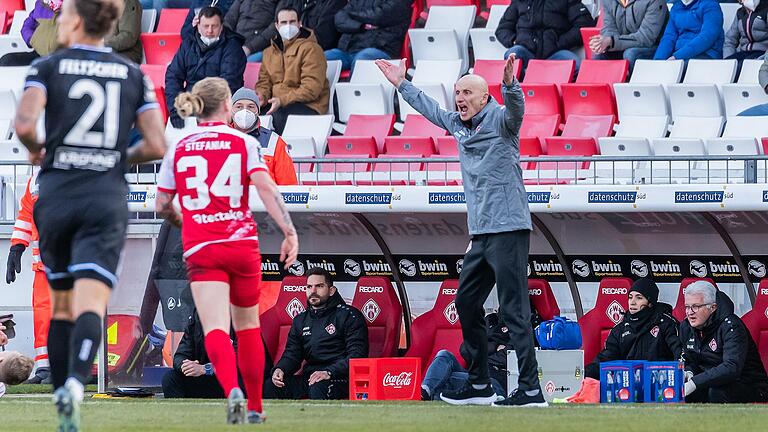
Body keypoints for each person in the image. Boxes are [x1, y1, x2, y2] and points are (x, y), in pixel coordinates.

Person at [13, 0, 167, 429]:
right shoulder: (133, 74)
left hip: (58, 192)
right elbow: (157, 143)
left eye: (62, 17)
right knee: (92, 300)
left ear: (77, 21)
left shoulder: (47, 68)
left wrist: (39, 154)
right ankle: (76, 387)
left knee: (61, 303)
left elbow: (24, 124)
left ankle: (61, 387)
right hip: (105, 194)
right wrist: (116, 157)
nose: (57, 22)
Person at [376, 56, 545, 407]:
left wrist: (511, 85)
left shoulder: (500, 119)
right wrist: (401, 83)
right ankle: (481, 384)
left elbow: (517, 112)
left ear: (485, 98)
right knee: (466, 303)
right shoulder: (458, 124)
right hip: (480, 232)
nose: (460, 98)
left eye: (467, 92)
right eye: (457, 92)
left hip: (509, 228)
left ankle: (531, 389)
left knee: (514, 310)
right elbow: (431, 109)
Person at [155, 77, 299, 424]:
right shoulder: (245, 144)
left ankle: (231, 390)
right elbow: (267, 189)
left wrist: (184, 219)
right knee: (247, 327)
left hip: (202, 245)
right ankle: (254, 405)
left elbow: (162, 204)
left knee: (216, 327)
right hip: (240, 241)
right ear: (225, 108)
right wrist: (289, 231)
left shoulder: (179, 146)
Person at [264, 267, 368, 400]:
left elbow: (357, 356)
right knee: (271, 386)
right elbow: (292, 354)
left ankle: (320, 421)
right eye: (309, 287)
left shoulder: (349, 315)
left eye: (319, 286)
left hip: (340, 378)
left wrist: (329, 372)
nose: (313, 291)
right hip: (311, 377)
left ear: (331, 291)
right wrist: (280, 369)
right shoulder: (300, 319)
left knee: (318, 386)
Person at [680, 281, 768, 403]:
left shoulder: (731, 326)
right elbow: (692, 360)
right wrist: (689, 372)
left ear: (712, 307)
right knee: (689, 393)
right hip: (711, 382)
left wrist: (695, 382)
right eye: (687, 307)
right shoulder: (686, 327)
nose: (690, 312)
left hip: (748, 385)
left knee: (717, 391)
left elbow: (732, 367)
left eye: (696, 306)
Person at [166, 6, 246, 129]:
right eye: (206, 26)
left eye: (214, 26)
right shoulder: (187, 44)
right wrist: (176, 109)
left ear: (221, 26)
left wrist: (202, 107)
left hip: (219, 109)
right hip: (190, 106)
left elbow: (229, 84)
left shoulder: (233, 47)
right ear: (198, 26)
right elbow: (173, 76)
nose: (209, 31)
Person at [584, 278, 681, 379]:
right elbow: (605, 359)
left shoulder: (666, 323)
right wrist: (585, 373)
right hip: (628, 385)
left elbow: (680, 354)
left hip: (660, 385)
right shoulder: (620, 329)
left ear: (650, 302)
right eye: (630, 297)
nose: (632, 302)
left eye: (639, 298)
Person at [6, 170, 52, 384]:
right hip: (44, 266)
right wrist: (17, 247)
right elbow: (26, 215)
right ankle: (45, 368)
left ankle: (74, 366)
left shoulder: (76, 173)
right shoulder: (36, 180)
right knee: (42, 316)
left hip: (74, 264)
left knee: (74, 315)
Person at [255, 6, 329, 134]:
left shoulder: (311, 49)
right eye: (284, 23)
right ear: (277, 26)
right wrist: (262, 96)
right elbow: (264, 82)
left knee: (278, 115)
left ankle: (281, 152)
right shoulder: (268, 52)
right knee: (251, 116)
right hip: (278, 103)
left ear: (299, 23)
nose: (288, 26)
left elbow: (311, 89)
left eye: (292, 22)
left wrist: (282, 100)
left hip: (310, 105)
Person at [421, 313, 508, 402]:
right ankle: (424, 392)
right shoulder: (489, 320)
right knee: (444, 355)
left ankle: (432, 392)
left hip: (496, 379)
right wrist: (495, 347)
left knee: (440, 378)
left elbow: (507, 357)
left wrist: (479, 352)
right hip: (474, 374)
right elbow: (465, 349)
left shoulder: (518, 325)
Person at [162, 311, 243, 398]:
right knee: (170, 378)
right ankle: (180, 411)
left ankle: (240, 407)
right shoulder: (197, 319)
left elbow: (240, 359)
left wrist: (205, 369)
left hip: (230, 379)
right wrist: (186, 366)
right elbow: (180, 355)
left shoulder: (238, 318)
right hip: (203, 378)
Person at [495, 0, 594, 70]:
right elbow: (502, 29)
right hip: (527, 50)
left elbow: (584, 24)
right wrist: (515, 40)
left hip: (556, 52)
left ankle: (560, 97)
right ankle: (521, 94)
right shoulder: (520, 1)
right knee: (512, 55)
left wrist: (561, 43)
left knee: (577, 66)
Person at [230, 87, 298, 185]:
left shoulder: (274, 142)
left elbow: (289, 186)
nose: (244, 111)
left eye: (251, 107)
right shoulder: (219, 139)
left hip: (263, 200)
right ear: (231, 110)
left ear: (257, 111)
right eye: (239, 107)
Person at [326, 0, 411, 71]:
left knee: (361, 60)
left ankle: (351, 91)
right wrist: (361, 25)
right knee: (319, 59)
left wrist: (351, 16)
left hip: (381, 50)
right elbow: (339, 19)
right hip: (348, 50)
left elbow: (378, 17)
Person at [590, 0, 669, 69]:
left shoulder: (655, 1)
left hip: (653, 47)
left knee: (631, 54)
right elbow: (609, 28)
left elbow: (645, 38)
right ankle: (603, 86)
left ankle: (630, 84)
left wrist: (612, 41)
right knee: (599, 55)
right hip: (622, 45)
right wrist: (603, 43)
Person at [653, 0, 724, 61]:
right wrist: (658, 61)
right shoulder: (676, 7)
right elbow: (668, 37)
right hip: (679, 55)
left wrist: (677, 56)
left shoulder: (710, 5)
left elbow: (707, 37)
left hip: (706, 54)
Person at [0, 0, 61, 66]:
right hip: (39, 53)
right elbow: (27, 27)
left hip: (62, 55)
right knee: (7, 60)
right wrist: (33, 40)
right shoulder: (41, 3)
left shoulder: (71, 5)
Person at [723, 0, 768, 64]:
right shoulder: (740, 13)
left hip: (761, 53)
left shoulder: (765, 10)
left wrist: (764, 58)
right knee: (726, 69)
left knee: (742, 66)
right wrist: (728, 59)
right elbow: (730, 39)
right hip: (744, 53)